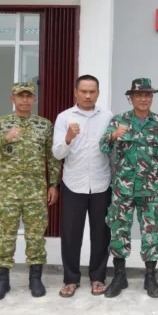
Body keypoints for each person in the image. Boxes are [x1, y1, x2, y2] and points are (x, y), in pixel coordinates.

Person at [0, 82, 60, 300]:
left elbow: (52, 157)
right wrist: (4, 138)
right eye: (20, 96)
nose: (24, 100)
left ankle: (35, 278)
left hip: (35, 191)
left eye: (28, 96)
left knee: (35, 236)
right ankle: (2, 280)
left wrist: (54, 184)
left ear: (34, 99)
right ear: (12, 99)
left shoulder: (44, 125)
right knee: (4, 235)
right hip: (8, 192)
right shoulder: (1, 123)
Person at [99, 78, 158, 299]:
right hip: (122, 188)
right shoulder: (119, 120)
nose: (143, 99)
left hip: (150, 190)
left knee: (150, 233)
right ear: (130, 98)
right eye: (139, 95)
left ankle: (150, 277)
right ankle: (119, 276)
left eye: (147, 95)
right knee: (119, 231)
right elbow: (102, 147)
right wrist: (114, 135)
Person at [52, 75, 113, 298]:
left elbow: (113, 151)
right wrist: (68, 138)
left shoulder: (108, 117)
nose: (88, 96)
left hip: (101, 183)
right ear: (75, 92)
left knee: (101, 234)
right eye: (83, 91)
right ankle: (70, 279)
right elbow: (57, 153)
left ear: (98, 93)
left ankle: (98, 277)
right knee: (71, 234)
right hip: (73, 184)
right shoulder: (64, 117)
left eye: (92, 92)